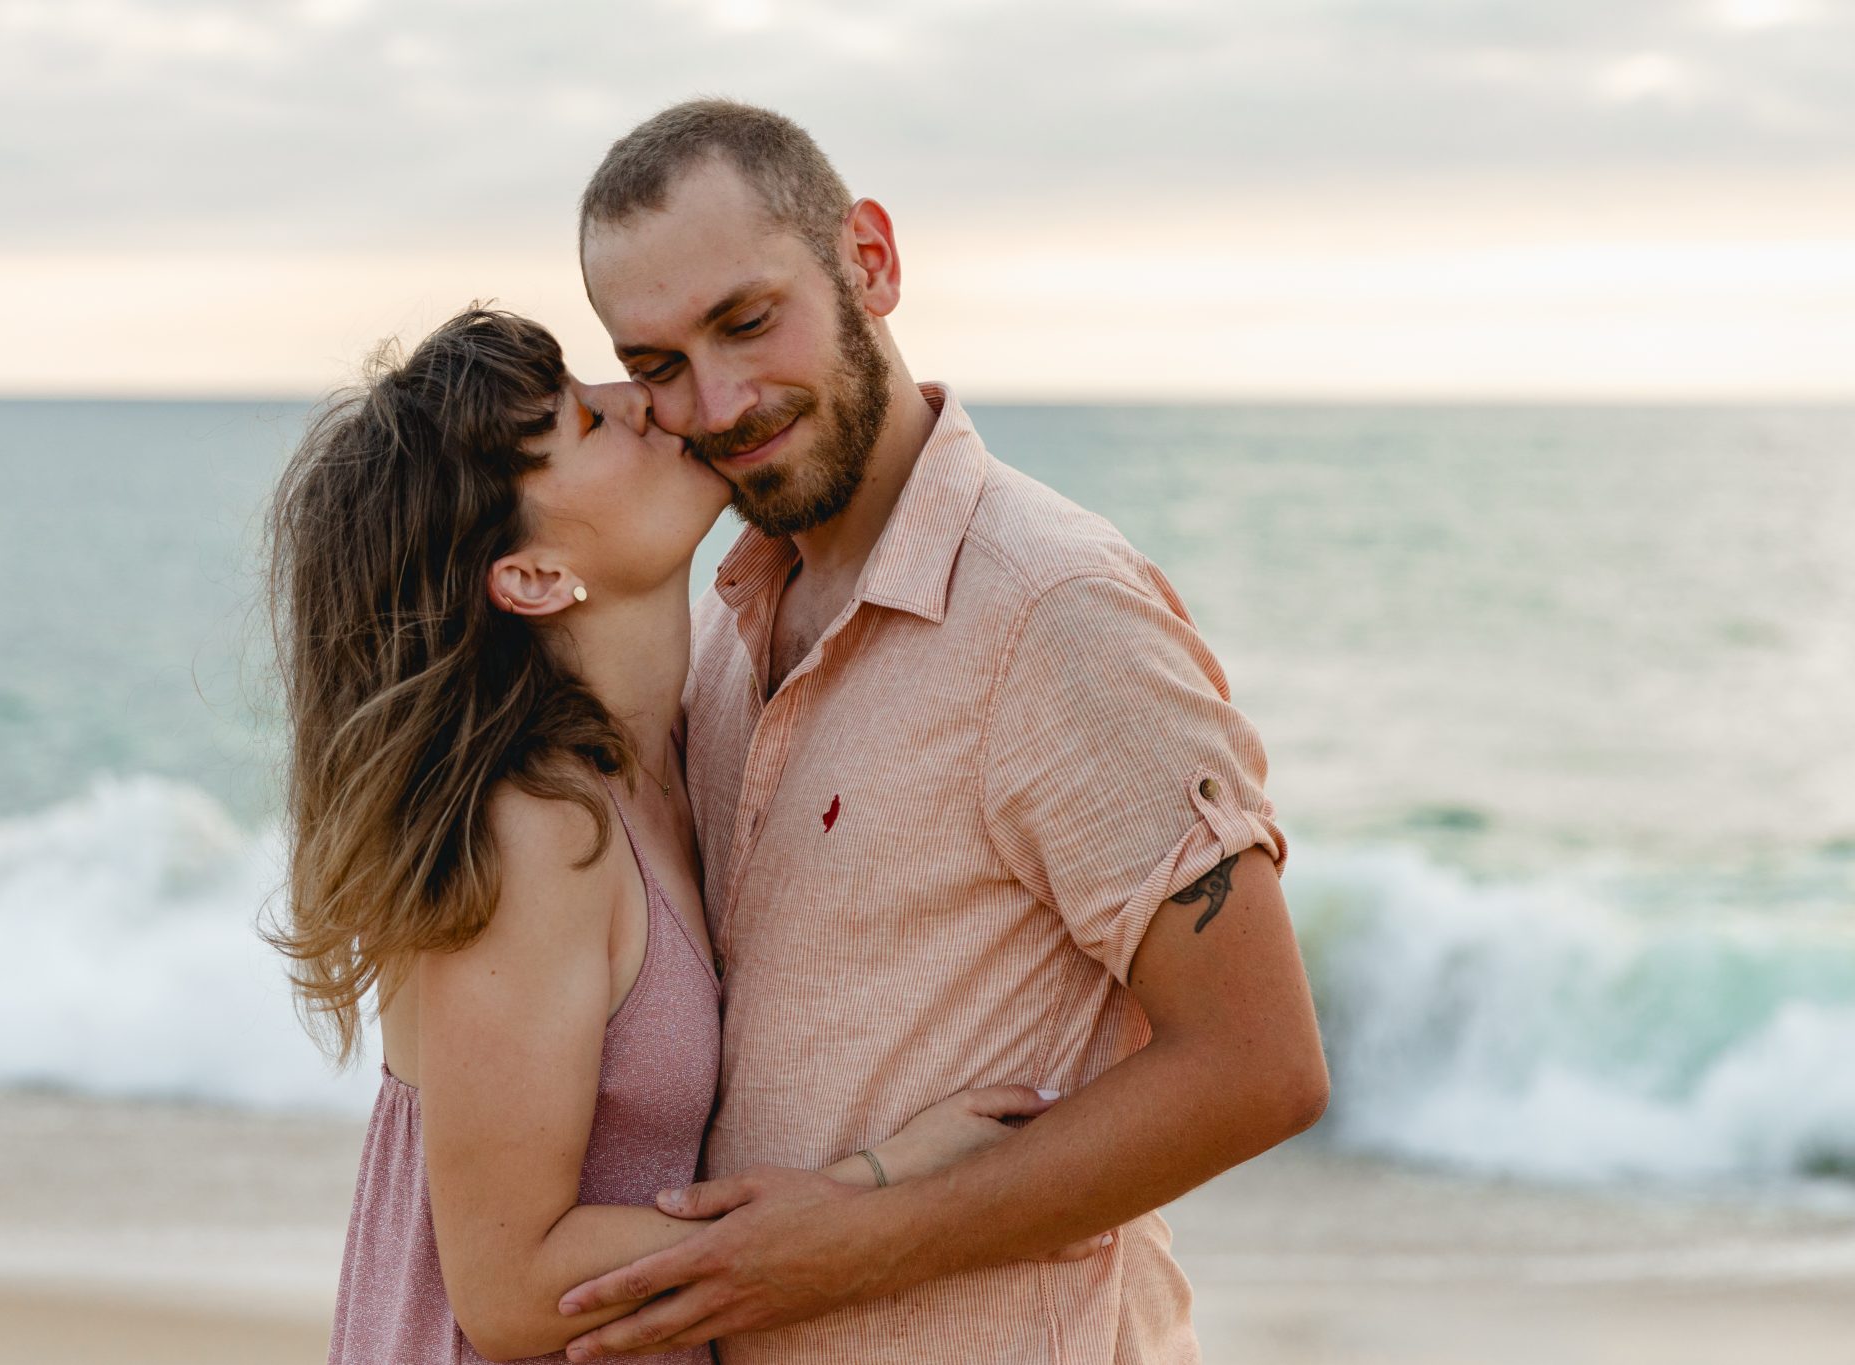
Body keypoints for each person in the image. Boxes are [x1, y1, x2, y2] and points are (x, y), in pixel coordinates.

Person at [552, 101, 1331, 1363]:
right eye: (657, 366)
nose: (718, 402)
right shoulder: (723, 628)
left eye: (746, 322)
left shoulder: (1054, 611)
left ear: (868, 260)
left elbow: (1257, 1065)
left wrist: (855, 1244)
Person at [264, 308, 1100, 1364]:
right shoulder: (536, 832)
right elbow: (511, 1288)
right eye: (586, 421)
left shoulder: (678, 750)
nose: (642, 401)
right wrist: (883, 1189)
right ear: (530, 576)